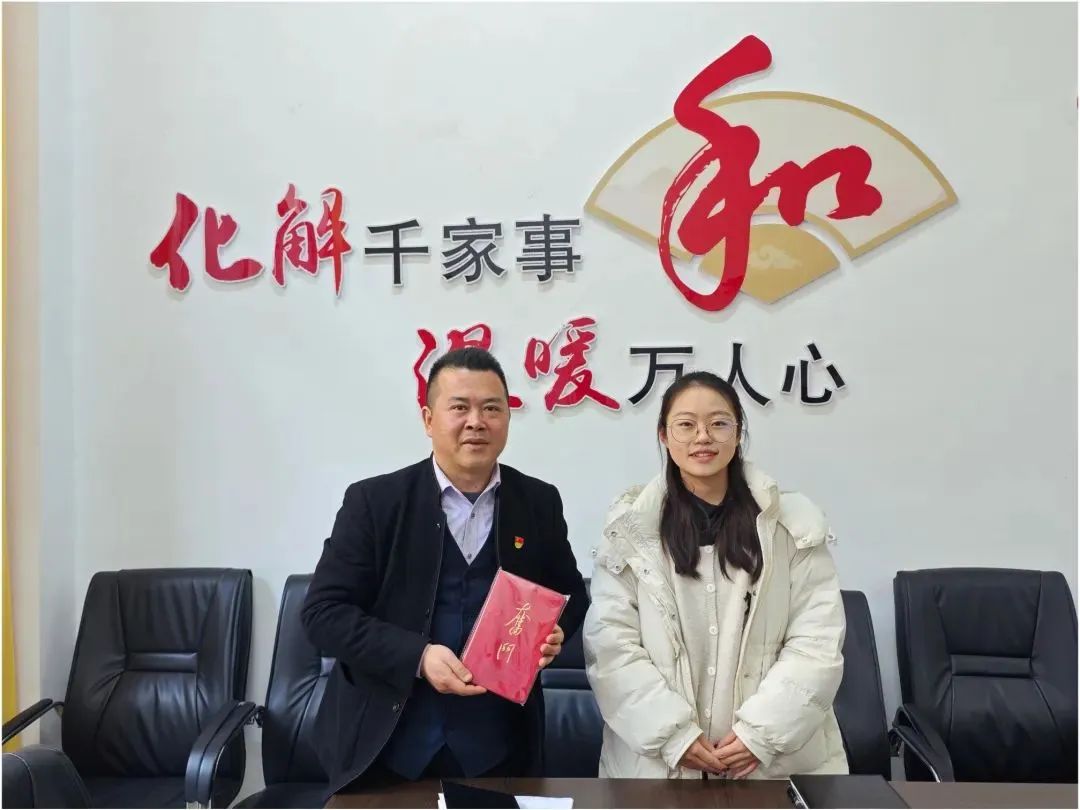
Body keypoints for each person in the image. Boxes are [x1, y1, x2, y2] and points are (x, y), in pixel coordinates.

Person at [302, 347, 590, 796]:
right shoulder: (375, 503)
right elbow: (323, 613)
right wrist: (417, 656)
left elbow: (572, 596)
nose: (476, 422)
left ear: (507, 419)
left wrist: (555, 632)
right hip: (386, 748)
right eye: (460, 407)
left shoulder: (538, 502)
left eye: (491, 408)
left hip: (500, 748)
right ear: (428, 419)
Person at [583, 370, 847, 779]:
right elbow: (611, 645)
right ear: (664, 435)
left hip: (772, 766)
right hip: (658, 770)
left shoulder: (791, 525)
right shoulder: (631, 530)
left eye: (719, 423)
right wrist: (672, 736)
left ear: (738, 433)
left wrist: (762, 735)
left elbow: (817, 640)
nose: (702, 437)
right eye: (686, 425)